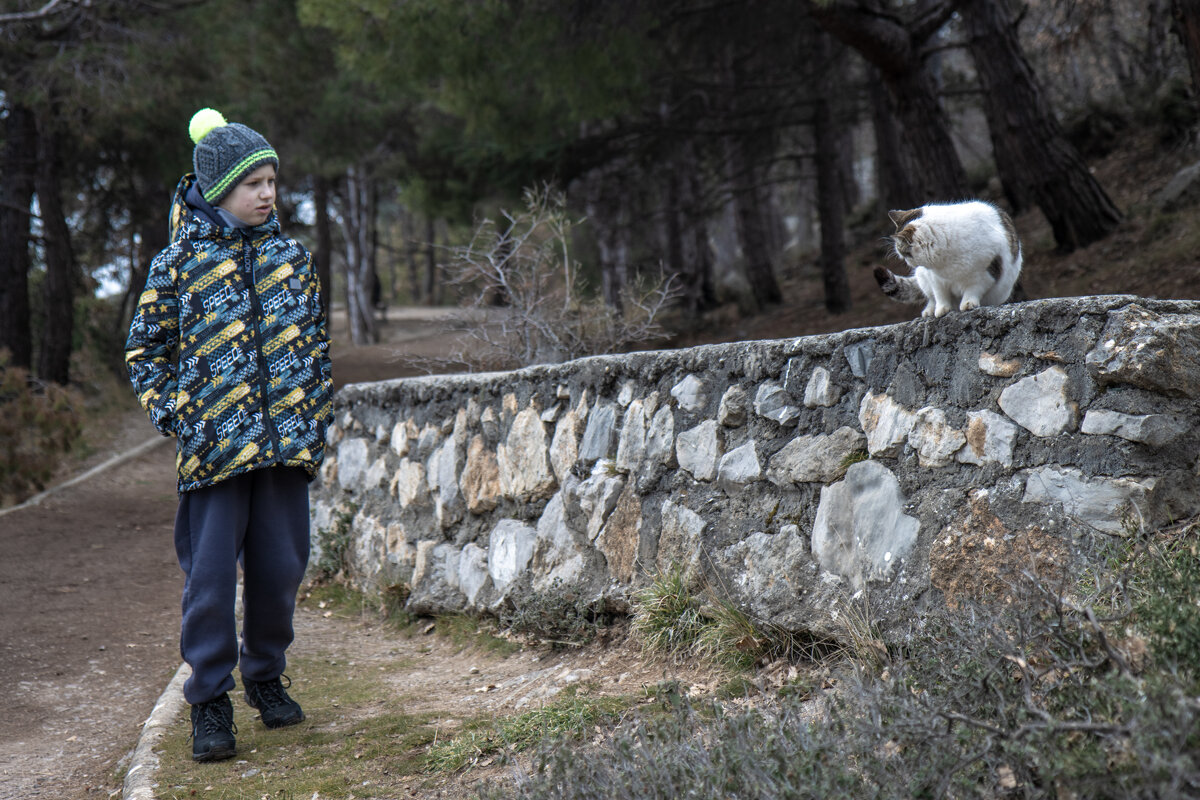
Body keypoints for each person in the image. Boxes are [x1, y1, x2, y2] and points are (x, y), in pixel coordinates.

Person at [125, 108, 333, 762]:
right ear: (218, 189)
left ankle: (266, 677)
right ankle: (209, 700)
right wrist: (179, 415)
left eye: (272, 181)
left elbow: (315, 348)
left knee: (280, 571)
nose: (268, 193)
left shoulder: (293, 259)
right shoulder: (177, 264)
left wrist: (313, 419)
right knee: (211, 583)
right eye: (253, 183)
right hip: (214, 456)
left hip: (284, 451)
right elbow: (144, 352)